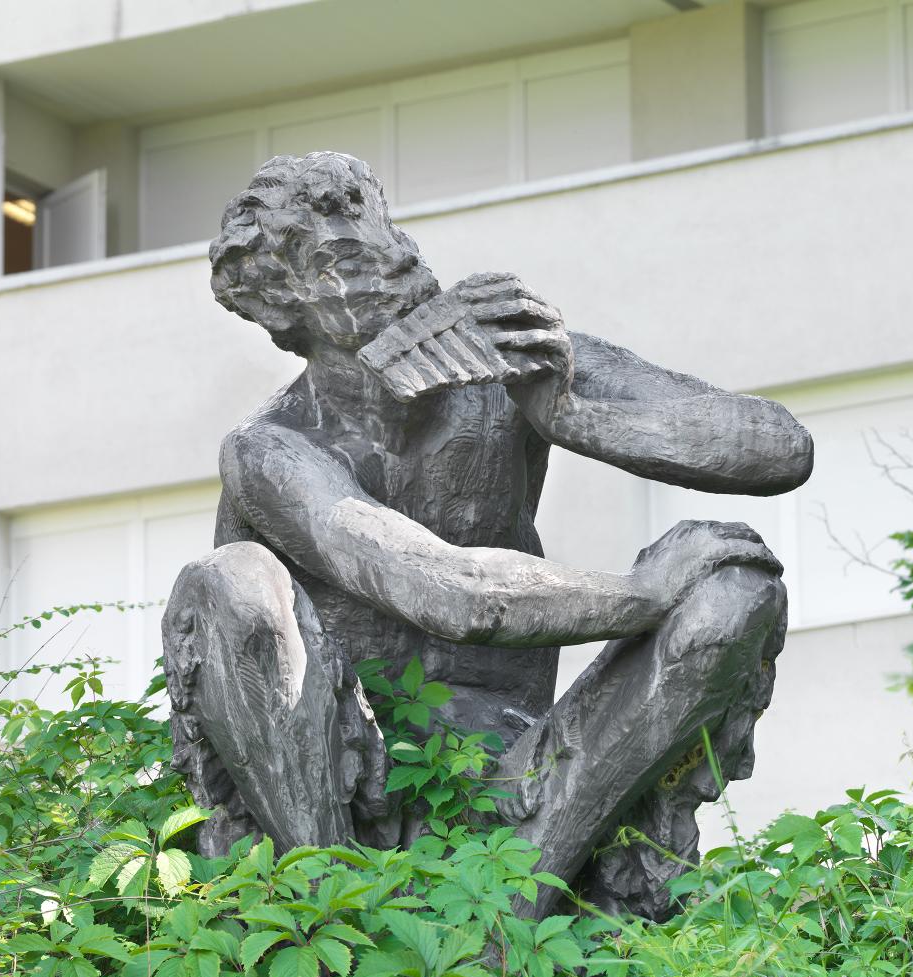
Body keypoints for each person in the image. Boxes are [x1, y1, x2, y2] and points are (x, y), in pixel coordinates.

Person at [164, 151, 814, 919]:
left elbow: (779, 447)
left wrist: (575, 412)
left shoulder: (505, 363)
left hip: (528, 779)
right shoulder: (272, 448)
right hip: (346, 783)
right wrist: (642, 594)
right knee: (231, 581)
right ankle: (334, 908)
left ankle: (519, 904)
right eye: (342, 254)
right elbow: (445, 590)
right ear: (283, 304)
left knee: (735, 588)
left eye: (385, 227)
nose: (395, 256)